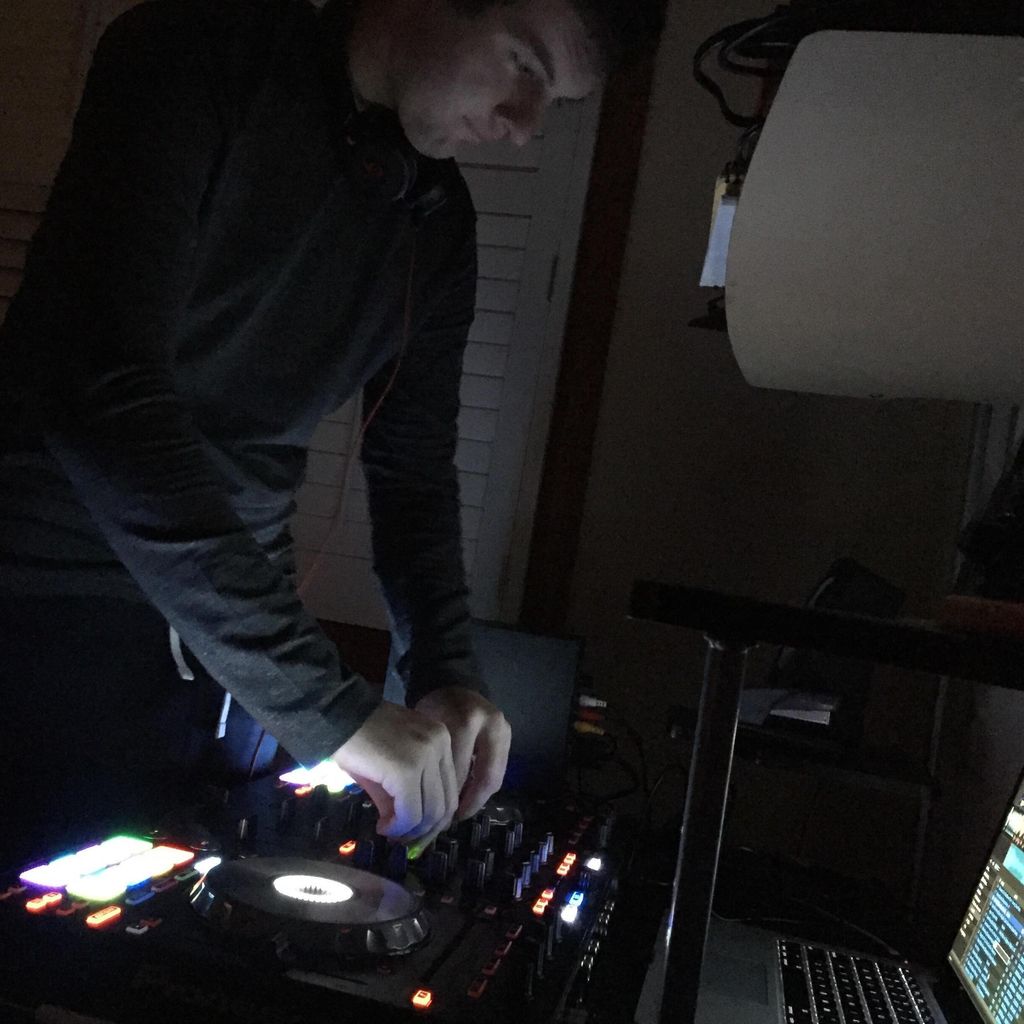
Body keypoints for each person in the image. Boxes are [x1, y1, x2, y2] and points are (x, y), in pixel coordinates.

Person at [0, 0, 657, 867]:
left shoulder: (437, 224)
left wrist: (446, 671)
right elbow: (102, 395)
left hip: (238, 667)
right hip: (47, 615)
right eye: (524, 66)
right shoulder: (184, 55)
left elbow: (413, 475)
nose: (524, 125)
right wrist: (328, 706)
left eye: (554, 104)